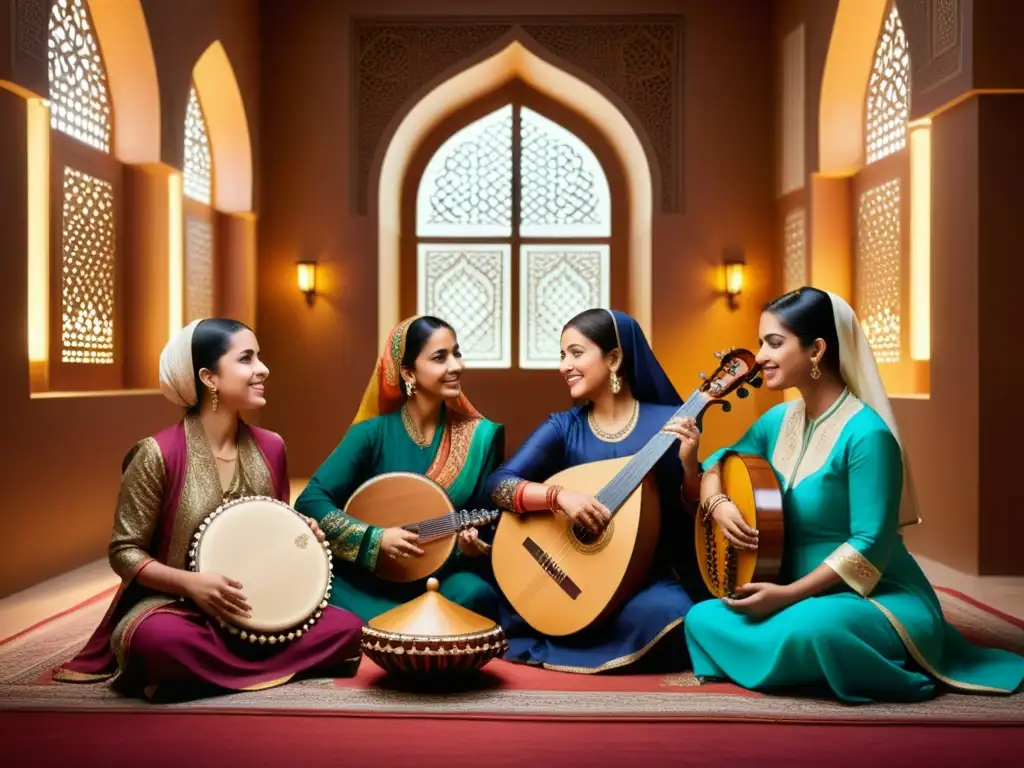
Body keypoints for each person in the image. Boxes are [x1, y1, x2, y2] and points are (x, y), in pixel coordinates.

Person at [684, 287, 1024, 703]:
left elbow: (869, 544)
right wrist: (716, 501)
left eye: (774, 343)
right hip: (787, 591)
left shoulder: (867, 435)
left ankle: (817, 658)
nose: (761, 356)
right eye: (760, 343)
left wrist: (787, 596)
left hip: (872, 596)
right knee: (700, 617)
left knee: (815, 629)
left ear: (816, 350)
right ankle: (800, 662)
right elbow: (720, 460)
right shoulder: (777, 420)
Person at [53, 318, 363, 699]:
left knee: (346, 627)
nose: (262, 369)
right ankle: (254, 666)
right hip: (178, 608)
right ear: (209, 378)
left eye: (259, 358)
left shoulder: (271, 447)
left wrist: (303, 535)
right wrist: (191, 584)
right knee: (157, 640)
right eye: (246, 359)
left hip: (258, 603)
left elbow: (276, 526)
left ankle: (187, 680)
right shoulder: (156, 453)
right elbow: (125, 552)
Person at [485, 308, 706, 673]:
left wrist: (688, 465)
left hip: (637, 580)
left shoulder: (668, 422)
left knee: (674, 614)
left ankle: (584, 633)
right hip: (570, 572)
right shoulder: (564, 426)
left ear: (614, 358)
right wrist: (559, 497)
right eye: (562, 355)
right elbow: (500, 484)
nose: (564, 366)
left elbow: (688, 516)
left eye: (575, 352)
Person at [295, 316, 505, 622]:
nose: (456, 366)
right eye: (439, 357)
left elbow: (486, 520)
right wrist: (375, 538)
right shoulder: (371, 434)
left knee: (477, 597)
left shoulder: (481, 438)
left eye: (456, 353)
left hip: (442, 575)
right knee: (326, 592)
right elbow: (310, 500)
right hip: (371, 578)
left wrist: (470, 547)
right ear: (408, 372)